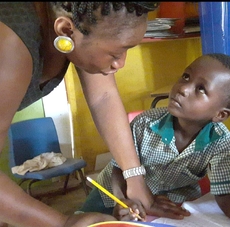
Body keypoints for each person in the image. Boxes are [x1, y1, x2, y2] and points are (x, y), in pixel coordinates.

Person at [0, 2, 177, 227]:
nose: (120, 63)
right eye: (116, 52)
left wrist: (135, 179)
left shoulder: (80, 24)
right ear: (65, 30)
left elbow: (103, 98)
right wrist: (64, 223)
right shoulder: (10, 44)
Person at [79, 53, 230, 222]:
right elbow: (118, 168)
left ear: (220, 114)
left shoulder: (221, 142)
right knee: (84, 221)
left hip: (168, 200)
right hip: (113, 191)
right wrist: (122, 200)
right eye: (186, 77)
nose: (183, 88)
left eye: (200, 89)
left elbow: (224, 193)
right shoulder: (144, 124)